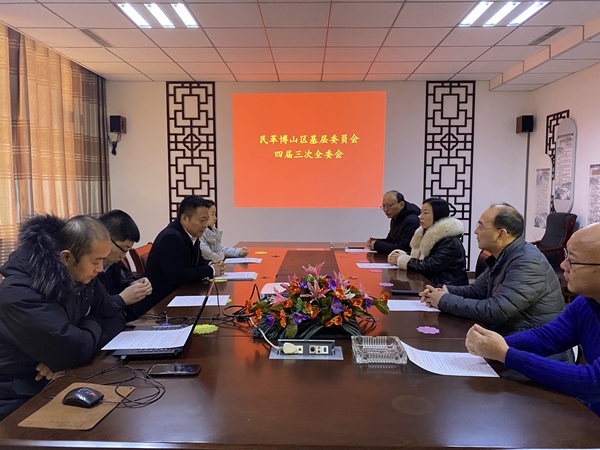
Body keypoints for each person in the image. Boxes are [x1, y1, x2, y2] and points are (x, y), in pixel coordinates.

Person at [465, 222, 600, 416]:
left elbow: (593, 382)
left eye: (572, 260)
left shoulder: (527, 260)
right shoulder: (587, 302)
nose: (563, 265)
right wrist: (491, 344)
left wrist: (506, 354)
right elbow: (549, 337)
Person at [0, 215, 126, 420]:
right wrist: (92, 324)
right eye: (96, 261)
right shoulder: (18, 293)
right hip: (19, 396)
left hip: (63, 379)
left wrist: (64, 354)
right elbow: (73, 349)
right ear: (66, 257)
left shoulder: (83, 276)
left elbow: (115, 318)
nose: (100, 269)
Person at [420, 204, 565, 336]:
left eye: (481, 227)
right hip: (509, 337)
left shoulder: (527, 262)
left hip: (532, 347)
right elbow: (476, 291)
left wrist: (443, 300)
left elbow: (496, 310)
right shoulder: (505, 255)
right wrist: (443, 291)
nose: (475, 231)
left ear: (501, 234)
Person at [129, 196, 226, 318]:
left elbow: (196, 261)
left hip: (180, 295)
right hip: (162, 304)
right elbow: (179, 276)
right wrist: (211, 271)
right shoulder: (171, 238)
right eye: (202, 220)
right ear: (184, 218)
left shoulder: (191, 233)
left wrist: (211, 264)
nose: (205, 225)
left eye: (206, 220)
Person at [387, 198, 468, 286]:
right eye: (421, 212)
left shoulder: (449, 240)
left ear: (438, 214)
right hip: (430, 284)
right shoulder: (425, 233)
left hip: (446, 288)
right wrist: (401, 255)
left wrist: (403, 260)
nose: (421, 217)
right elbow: (422, 258)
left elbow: (430, 266)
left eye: (425, 213)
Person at [98, 210, 152, 312]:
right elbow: (92, 308)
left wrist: (135, 283)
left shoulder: (113, 262)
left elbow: (122, 282)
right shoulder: (85, 269)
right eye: (123, 249)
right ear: (106, 239)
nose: (123, 257)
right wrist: (122, 299)